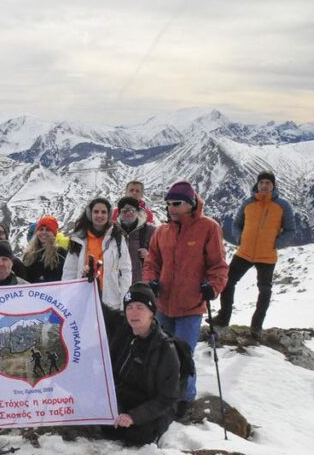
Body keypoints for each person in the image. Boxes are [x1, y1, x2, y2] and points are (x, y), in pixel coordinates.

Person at [142, 181, 228, 407]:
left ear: (190, 204)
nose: (171, 208)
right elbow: (152, 261)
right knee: (161, 353)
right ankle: (162, 395)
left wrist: (213, 286)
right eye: (168, 203)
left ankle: (185, 399)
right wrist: (150, 280)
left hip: (191, 305)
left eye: (176, 203)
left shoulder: (208, 228)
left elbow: (218, 265)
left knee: (183, 354)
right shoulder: (162, 231)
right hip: (163, 305)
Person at [212, 171, 294, 339]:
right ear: (257, 184)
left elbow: (291, 230)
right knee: (227, 282)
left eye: (268, 183)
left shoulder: (283, 206)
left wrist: (276, 243)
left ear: (273, 186)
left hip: (267, 255)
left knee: (264, 290)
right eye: (261, 182)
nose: (264, 186)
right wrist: (240, 237)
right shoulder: (248, 203)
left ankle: (256, 326)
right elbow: (236, 224)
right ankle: (223, 317)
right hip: (245, 252)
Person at [100, 284, 181, 446]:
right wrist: (91, 284)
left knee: (139, 436)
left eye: (140, 307)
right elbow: (101, 311)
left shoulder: (165, 349)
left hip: (151, 405)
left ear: (152, 312)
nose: (133, 313)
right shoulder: (124, 329)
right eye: (129, 307)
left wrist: (134, 417)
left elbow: (167, 397)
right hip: (125, 396)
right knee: (106, 426)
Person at [63, 198, 132, 309]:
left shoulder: (118, 238)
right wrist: (67, 299)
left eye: (103, 212)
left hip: (111, 302)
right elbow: (69, 271)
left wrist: (125, 302)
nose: (99, 215)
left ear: (109, 214)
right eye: (96, 212)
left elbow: (125, 271)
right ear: (90, 214)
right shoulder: (78, 239)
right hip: (82, 301)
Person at [116, 196, 156, 284]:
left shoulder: (151, 231)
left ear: (137, 212)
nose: (128, 213)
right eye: (124, 211)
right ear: (119, 213)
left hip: (142, 283)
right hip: (117, 283)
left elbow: (162, 257)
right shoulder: (113, 231)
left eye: (131, 210)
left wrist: (149, 255)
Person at [21, 215, 66, 283]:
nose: (44, 232)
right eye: (41, 229)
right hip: (33, 293)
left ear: (54, 233)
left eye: (48, 230)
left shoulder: (61, 253)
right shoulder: (28, 255)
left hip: (55, 292)